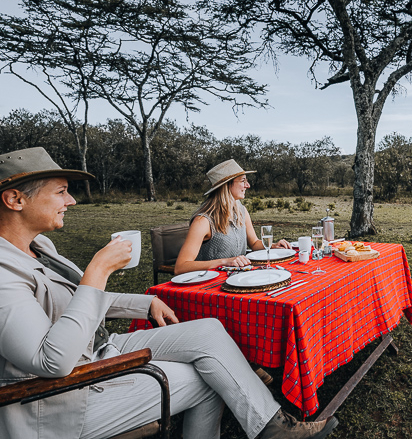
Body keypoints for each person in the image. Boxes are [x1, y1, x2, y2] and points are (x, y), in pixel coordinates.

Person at [0, 147, 337, 439]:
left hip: (98, 346)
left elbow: (76, 302)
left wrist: (144, 302)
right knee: (213, 377)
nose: (71, 201)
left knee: (209, 331)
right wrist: (98, 271)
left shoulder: (39, 246)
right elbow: (51, 361)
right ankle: (269, 426)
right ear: (15, 199)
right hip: (59, 399)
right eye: (61, 192)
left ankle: (271, 425)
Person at [175, 159, 291, 275]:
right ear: (227, 185)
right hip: (210, 285)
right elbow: (181, 267)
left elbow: (254, 243)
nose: (248, 185)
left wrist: (272, 245)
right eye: (243, 181)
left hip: (239, 279)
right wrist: (225, 262)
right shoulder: (203, 221)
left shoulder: (241, 211)